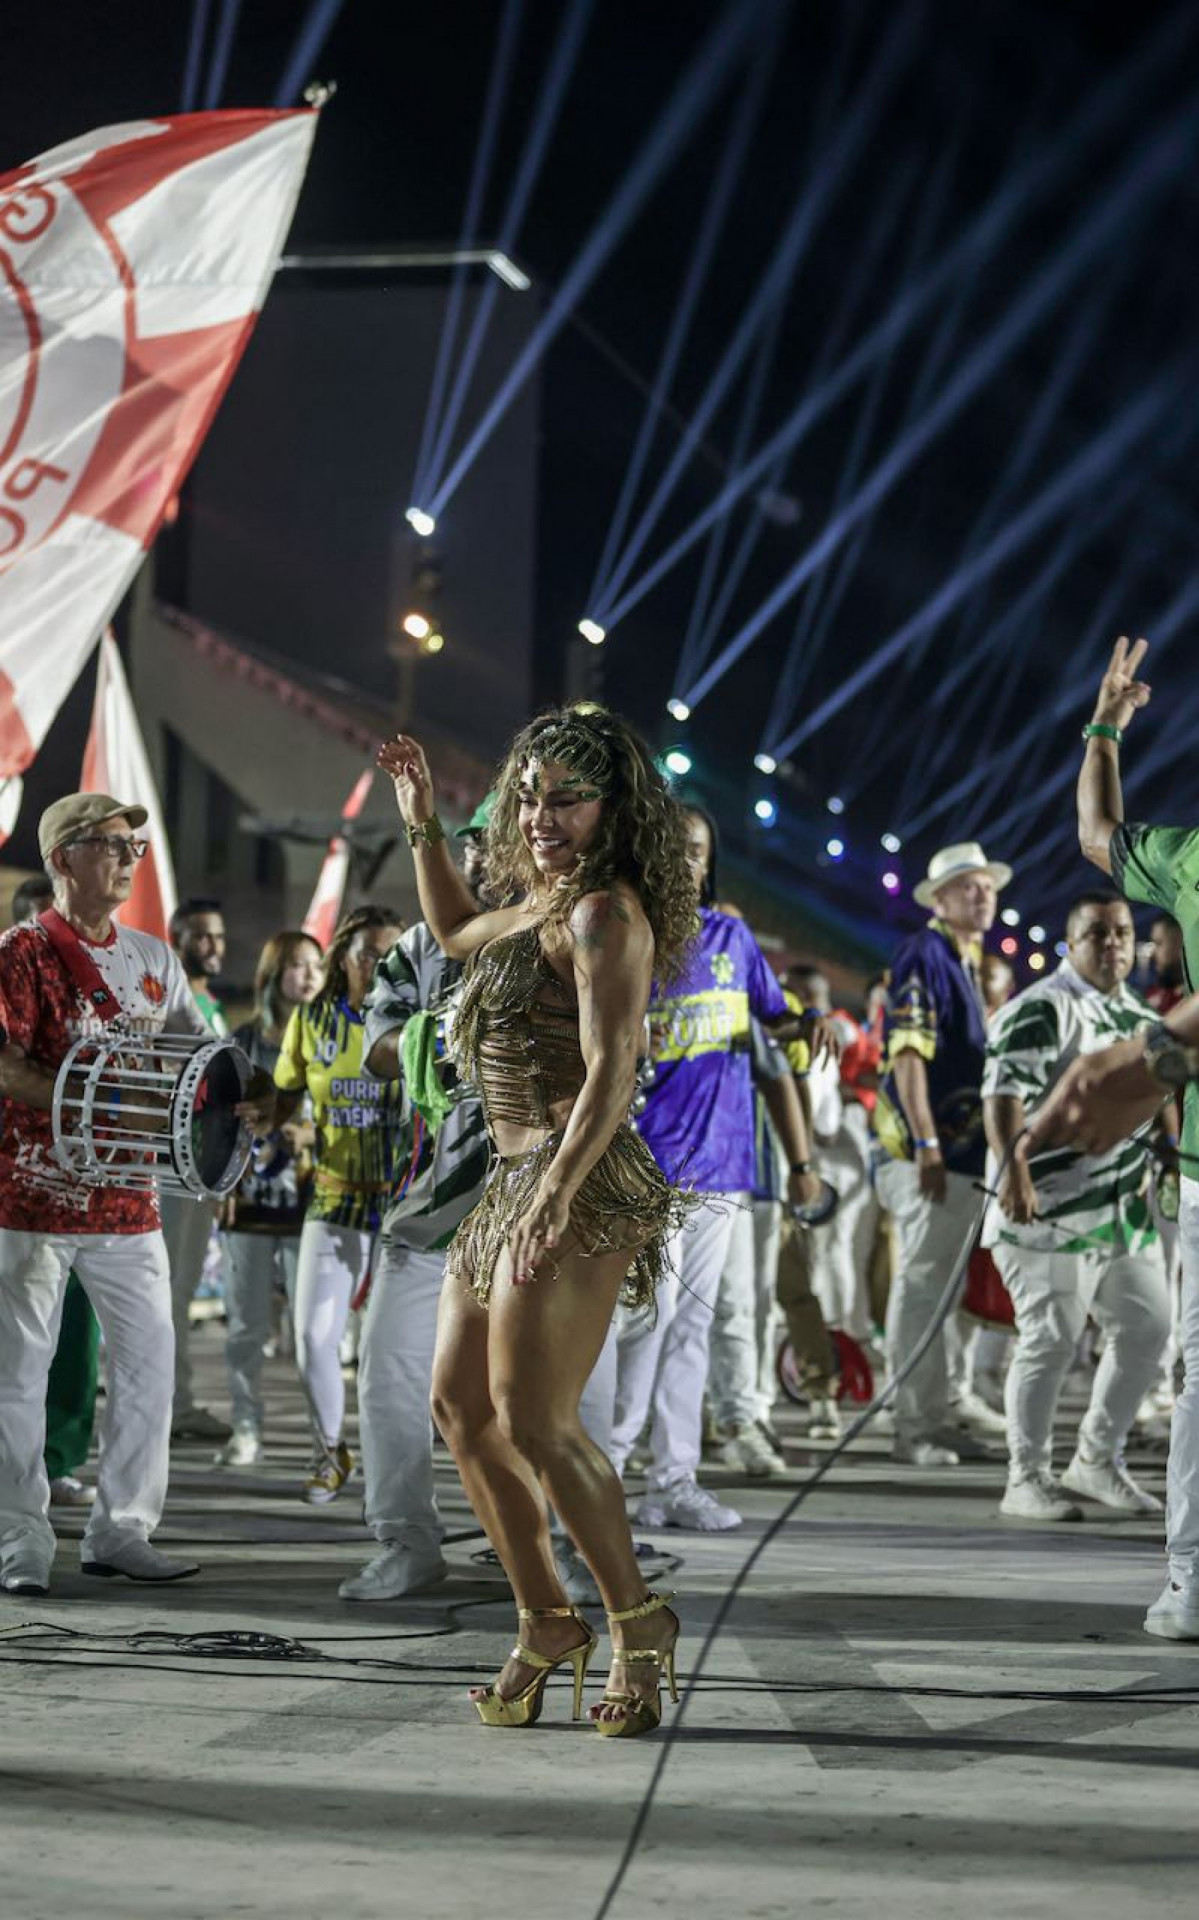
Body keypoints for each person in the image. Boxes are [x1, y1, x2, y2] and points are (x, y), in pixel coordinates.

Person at [379, 706, 699, 1738]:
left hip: (579, 1182)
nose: (542, 813)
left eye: (564, 797)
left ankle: (636, 1622)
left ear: (611, 809)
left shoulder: (605, 913)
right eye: (528, 795)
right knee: (459, 1410)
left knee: (535, 1419)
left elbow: (614, 1067)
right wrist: (423, 822)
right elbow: (447, 932)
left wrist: (559, 1189)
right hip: (508, 1184)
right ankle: (543, 1619)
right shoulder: (531, 907)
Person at [0, 795, 210, 1592]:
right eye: (112, 845)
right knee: (18, 1372)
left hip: (130, 1200)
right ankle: (21, 1539)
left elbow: (198, 1055)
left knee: (150, 1363)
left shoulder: (155, 958)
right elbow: (5, 1062)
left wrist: (242, 1094)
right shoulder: (18, 954)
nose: (129, 858)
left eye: (137, 846)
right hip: (32, 1199)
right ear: (62, 859)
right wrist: (87, 1101)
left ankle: (123, 1530)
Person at [1033, 632, 1199, 1635]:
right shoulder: (1187, 857)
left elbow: (1097, 829)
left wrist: (1102, 726)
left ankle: (1188, 1580)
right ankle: (1187, 1577)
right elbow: (1099, 834)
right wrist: (1100, 727)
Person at [611, 807, 833, 1530]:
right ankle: (604, 1478)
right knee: (647, 1320)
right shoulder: (623, 936)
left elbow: (776, 1022)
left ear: (710, 862)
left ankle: (672, 1480)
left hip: (723, 1164)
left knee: (692, 1326)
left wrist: (811, 1023)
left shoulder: (734, 939)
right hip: (647, 1163)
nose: (685, 861)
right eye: (673, 848)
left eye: (698, 850)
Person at [339, 814, 495, 1602]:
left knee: (548, 1397)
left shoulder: (565, 931)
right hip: (428, 1207)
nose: (475, 861)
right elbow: (373, 1039)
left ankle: (554, 1545)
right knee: (388, 1373)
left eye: (489, 846)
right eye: (465, 847)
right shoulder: (418, 950)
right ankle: (406, 1540)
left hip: (531, 1209)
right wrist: (432, 1041)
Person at [984, 890, 1169, 1521]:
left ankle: (1095, 1459)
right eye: (1097, 933)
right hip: (1049, 1207)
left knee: (1149, 1326)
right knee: (1050, 1339)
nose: (1112, 944)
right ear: (1072, 942)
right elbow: (1003, 1097)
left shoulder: (1140, 1012)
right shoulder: (1043, 1008)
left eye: (1121, 932)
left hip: (1122, 1210)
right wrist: (1015, 1174)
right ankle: (1025, 1477)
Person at [873, 840, 1011, 1466]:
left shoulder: (961, 957)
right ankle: (912, 1424)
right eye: (970, 886)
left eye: (988, 886)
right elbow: (907, 1053)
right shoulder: (925, 952)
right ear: (941, 898)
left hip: (957, 1157)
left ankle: (936, 1412)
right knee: (924, 1286)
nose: (984, 895)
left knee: (941, 1291)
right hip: (926, 1154)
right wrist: (927, 1141)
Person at [269, 905, 407, 1504]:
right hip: (332, 1199)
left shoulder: (415, 1020)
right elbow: (282, 1096)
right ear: (344, 956)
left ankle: (391, 1474)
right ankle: (330, 1451)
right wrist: (253, 1120)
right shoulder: (311, 1020)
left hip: (403, 1209)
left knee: (387, 1354)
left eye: (394, 953)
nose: (384, 963)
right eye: (373, 952)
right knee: (311, 1340)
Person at [7, 874, 102, 1508]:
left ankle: (57, 1456)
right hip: (14, 1189)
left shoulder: (87, 1001)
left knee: (71, 1336)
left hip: (77, 1190)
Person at [215, 930, 324, 1466]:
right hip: (252, 1201)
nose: (309, 976)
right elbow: (218, 1121)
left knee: (313, 1334)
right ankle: (246, 1425)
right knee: (246, 1326)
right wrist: (223, 1185)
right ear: (273, 973)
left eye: (316, 966)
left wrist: (315, 1136)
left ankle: (323, 1438)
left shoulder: (335, 1037)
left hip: (317, 1203)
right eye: (298, 966)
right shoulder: (246, 1040)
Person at [163, 896, 232, 1443]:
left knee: (181, 1291)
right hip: (164, 1170)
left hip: (200, 1171)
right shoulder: (165, 1000)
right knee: (162, 1292)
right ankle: (166, 1404)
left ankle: (176, 1401)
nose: (213, 947)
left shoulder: (213, 1008)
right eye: (202, 936)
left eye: (219, 937)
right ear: (176, 937)